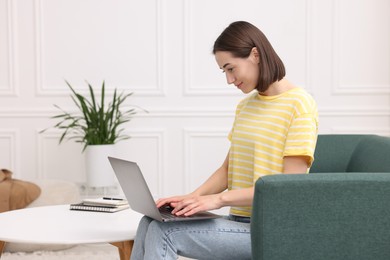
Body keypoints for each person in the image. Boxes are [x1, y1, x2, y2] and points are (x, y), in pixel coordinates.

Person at [130, 21, 318, 260]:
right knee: (149, 221)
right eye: (224, 72)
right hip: (239, 222)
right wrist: (192, 199)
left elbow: (288, 187)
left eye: (231, 69)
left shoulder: (299, 104)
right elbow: (228, 169)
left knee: (166, 232)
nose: (230, 80)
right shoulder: (246, 106)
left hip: (274, 230)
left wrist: (217, 200)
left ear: (255, 54)